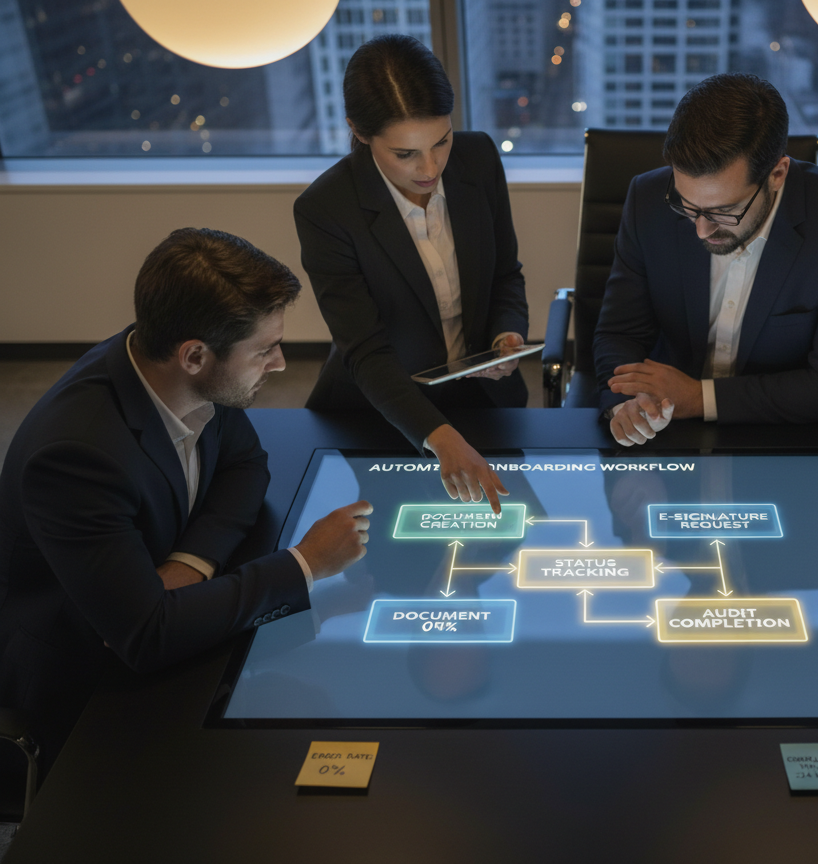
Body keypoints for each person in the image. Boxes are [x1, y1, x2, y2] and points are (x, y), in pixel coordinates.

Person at [0, 228, 372, 774]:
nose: (280, 365)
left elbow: (246, 464)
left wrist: (187, 565)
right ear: (195, 354)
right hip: (85, 688)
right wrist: (307, 563)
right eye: (265, 350)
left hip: (154, 623)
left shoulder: (175, 372)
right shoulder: (77, 457)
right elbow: (147, 636)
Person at [295, 34, 529, 513]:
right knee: (404, 567)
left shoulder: (479, 157)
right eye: (405, 154)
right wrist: (439, 436)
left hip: (483, 393)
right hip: (380, 411)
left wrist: (508, 331)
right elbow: (366, 351)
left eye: (440, 141)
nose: (430, 168)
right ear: (359, 132)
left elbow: (506, 272)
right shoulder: (326, 208)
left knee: (508, 547)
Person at [594, 72, 818, 447]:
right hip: (663, 424)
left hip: (780, 434)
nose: (700, 230)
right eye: (686, 205)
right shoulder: (647, 199)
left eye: (724, 210)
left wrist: (699, 398)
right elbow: (621, 332)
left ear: (777, 174)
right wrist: (627, 405)